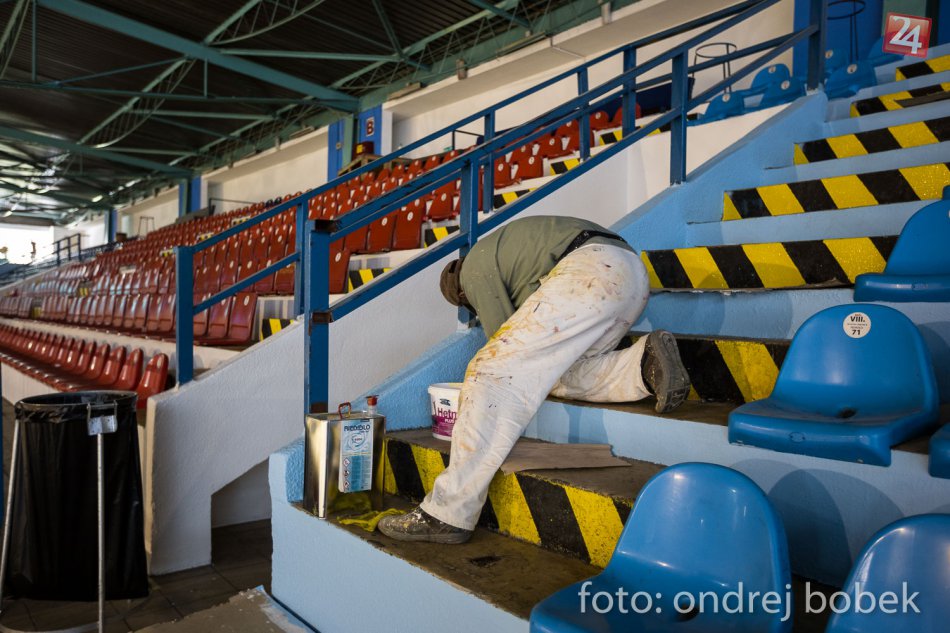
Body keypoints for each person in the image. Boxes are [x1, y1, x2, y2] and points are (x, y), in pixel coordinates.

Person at [379, 215, 690, 544]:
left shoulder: (473, 269)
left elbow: (504, 347)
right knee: (563, 372)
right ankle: (643, 366)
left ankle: (447, 513)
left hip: (591, 270)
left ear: (460, 290)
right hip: (630, 276)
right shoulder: (511, 254)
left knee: (489, 370)